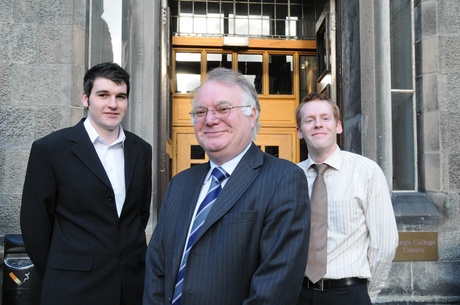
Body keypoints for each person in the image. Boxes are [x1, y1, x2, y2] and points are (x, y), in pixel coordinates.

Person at [143, 67, 310, 305]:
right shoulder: (180, 183)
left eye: (223, 109)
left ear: (251, 115)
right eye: (200, 111)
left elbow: (275, 287)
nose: (210, 120)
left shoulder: (283, 179)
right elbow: (157, 267)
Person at [20, 62, 153, 305]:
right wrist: (61, 270)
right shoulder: (51, 149)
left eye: (120, 96)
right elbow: (34, 225)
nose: (113, 104)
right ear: (86, 99)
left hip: (130, 286)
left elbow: (138, 216)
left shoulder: (141, 150)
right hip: (72, 288)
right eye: (103, 95)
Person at [295, 92, 398, 305]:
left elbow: (384, 244)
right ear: (299, 131)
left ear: (338, 126)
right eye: (309, 120)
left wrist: (366, 295)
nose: (318, 124)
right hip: (298, 294)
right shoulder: (290, 177)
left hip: (348, 294)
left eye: (325, 118)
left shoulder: (367, 172)